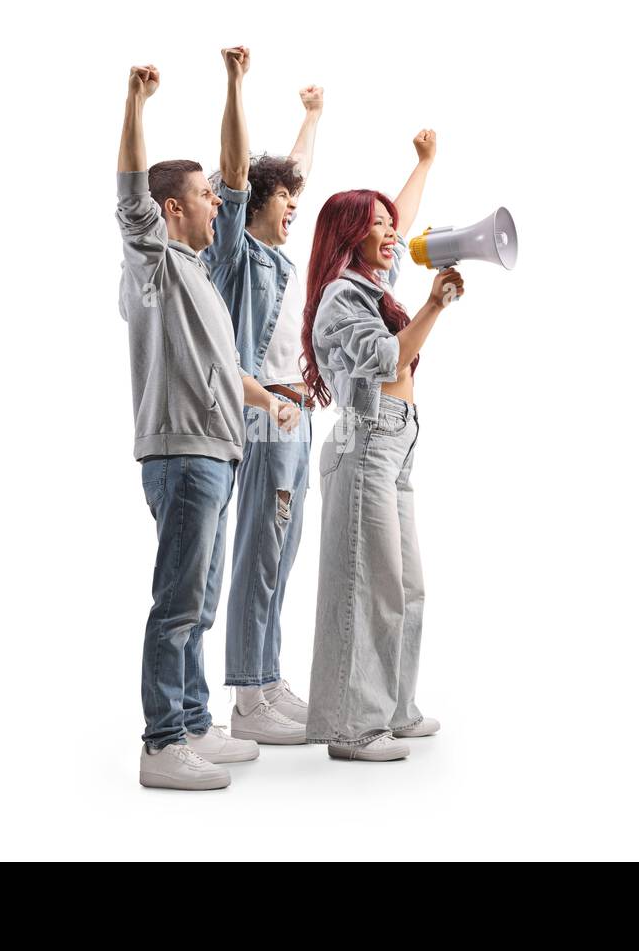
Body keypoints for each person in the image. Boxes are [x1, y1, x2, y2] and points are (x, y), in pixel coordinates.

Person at [116, 58, 300, 790]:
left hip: (214, 454)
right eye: (204, 198)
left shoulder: (197, 274)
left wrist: (271, 401)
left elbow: (225, 370)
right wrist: (135, 103)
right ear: (171, 210)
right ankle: (163, 743)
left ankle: (193, 720)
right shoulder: (152, 260)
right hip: (182, 453)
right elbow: (131, 191)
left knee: (201, 597)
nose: (218, 206)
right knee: (178, 602)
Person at [301, 130, 464, 762]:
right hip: (367, 441)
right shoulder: (344, 296)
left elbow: (402, 217)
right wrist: (435, 304)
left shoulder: (368, 278)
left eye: (387, 225)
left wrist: (424, 163)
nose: (391, 233)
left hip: (397, 444)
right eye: (376, 227)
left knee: (407, 584)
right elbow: (393, 355)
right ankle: (352, 727)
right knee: (370, 583)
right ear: (351, 237)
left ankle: (394, 708)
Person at [202, 48, 323, 745]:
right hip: (265, 413)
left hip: (297, 415)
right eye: (284, 203)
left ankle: (268, 678)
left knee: (284, 551)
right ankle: (249, 694)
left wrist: (311, 117)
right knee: (260, 549)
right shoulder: (239, 255)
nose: (294, 212)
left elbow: (290, 175)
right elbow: (245, 174)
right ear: (255, 206)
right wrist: (236, 84)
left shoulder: (279, 253)